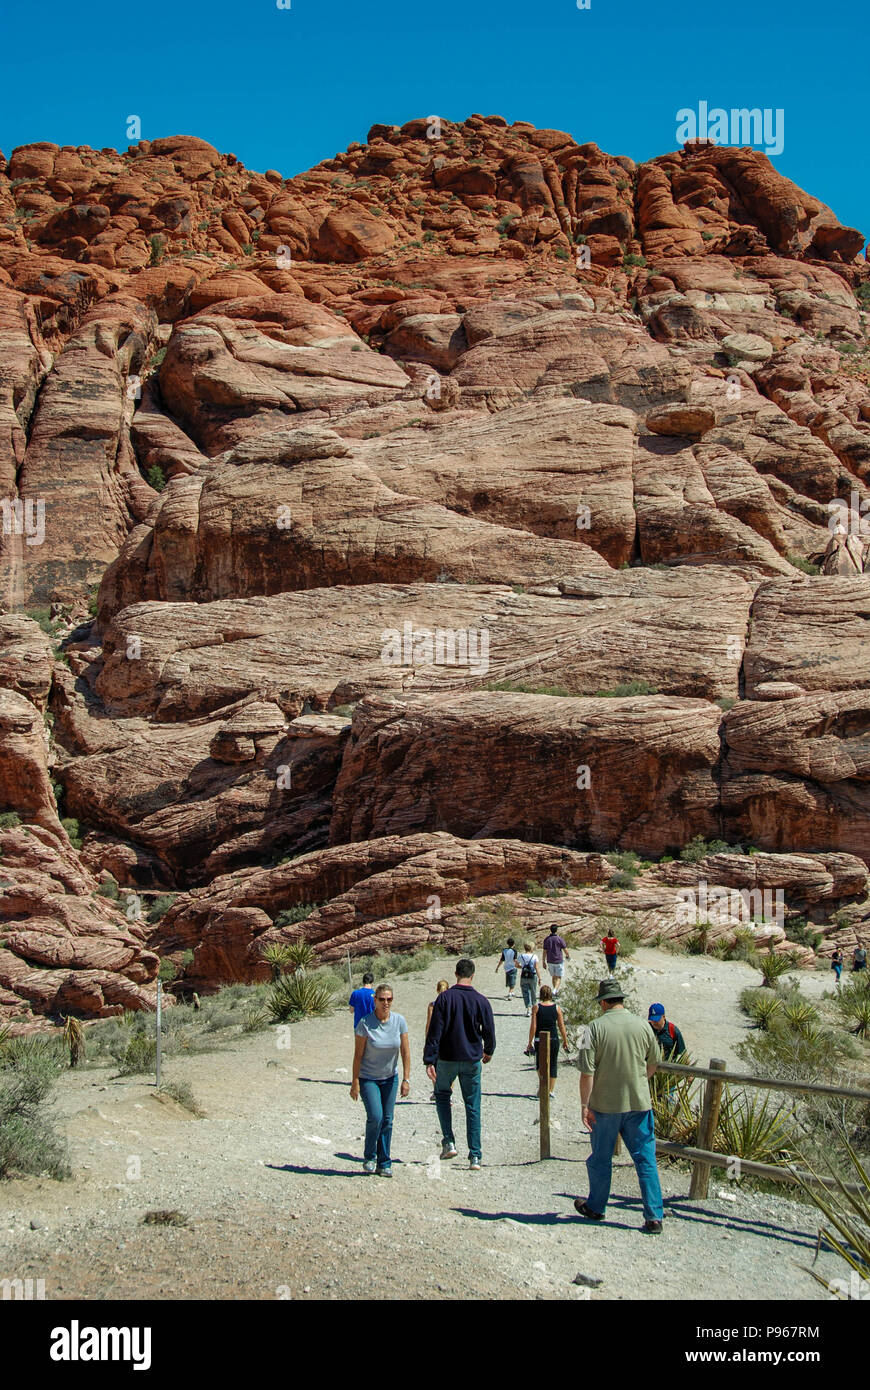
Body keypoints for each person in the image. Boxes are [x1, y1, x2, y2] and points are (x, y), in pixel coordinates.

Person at [574, 978, 664, 1235]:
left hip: (604, 1105)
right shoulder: (642, 1026)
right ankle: (654, 1216)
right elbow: (654, 1062)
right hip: (638, 1103)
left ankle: (596, 1206)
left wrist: (585, 1105)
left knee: (601, 1158)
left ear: (603, 1002)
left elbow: (586, 1072)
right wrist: (639, 1081)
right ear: (621, 1000)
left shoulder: (592, 1029)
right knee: (645, 1159)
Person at [423, 958, 495, 1171]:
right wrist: (488, 1050)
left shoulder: (444, 999)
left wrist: (429, 1059)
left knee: (443, 1096)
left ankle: (449, 1141)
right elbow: (489, 1029)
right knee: (473, 1105)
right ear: (472, 975)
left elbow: (435, 1031)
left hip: (446, 1058)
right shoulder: (481, 1000)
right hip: (472, 1058)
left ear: (456, 974)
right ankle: (475, 1156)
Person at [350, 984, 410, 1177]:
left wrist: (406, 1079)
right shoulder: (365, 1024)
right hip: (369, 1078)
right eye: (382, 999)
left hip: (390, 1078)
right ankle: (369, 1156)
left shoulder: (399, 1021)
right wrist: (355, 1082)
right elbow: (358, 1055)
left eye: (389, 999)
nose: (386, 1003)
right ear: (374, 1000)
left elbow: (406, 1052)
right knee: (376, 1116)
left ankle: (384, 1162)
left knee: (387, 1120)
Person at [526, 985, 570, 1096]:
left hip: (539, 1039)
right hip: (554, 1038)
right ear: (551, 994)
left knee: (539, 1064)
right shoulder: (556, 1008)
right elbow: (561, 1026)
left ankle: (543, 1086)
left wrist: (529, 1042)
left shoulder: (536, 1007)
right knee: (553, 1064)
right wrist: (565, 1040)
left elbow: (533, 1026)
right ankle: (550, 1090)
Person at [426, 980, 450, 1098]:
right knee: (448, 1066)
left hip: (436, 1039)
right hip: (448, 1038)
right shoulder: (450, 1004)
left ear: (437, 990)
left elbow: (429, 1024)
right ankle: (448, 1091)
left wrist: (427, 1040)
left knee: (434, 1065)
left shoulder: (433, 1005)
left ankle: (437, 1089)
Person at [517, 940, 543, 1016]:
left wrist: (522, 967)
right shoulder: (534, 956)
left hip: (524, 975)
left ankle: (528, 1009)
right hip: (533, 975)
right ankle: (534, 1008)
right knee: (533, 992)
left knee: (525, 992)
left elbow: (516, 964)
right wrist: (540, 978)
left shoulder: (521, 956)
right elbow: (537, 967)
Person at [542, 926, 570, 995]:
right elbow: (565, 949)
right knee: (559, 977)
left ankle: (555, 992)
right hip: (558, 961)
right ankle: (554, 990)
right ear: (556, 930)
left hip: (550, 960)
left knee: (554, 977)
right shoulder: (559, 939)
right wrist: (568, 956)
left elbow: (544, 951)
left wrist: (543, 961)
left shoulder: (547, 939)